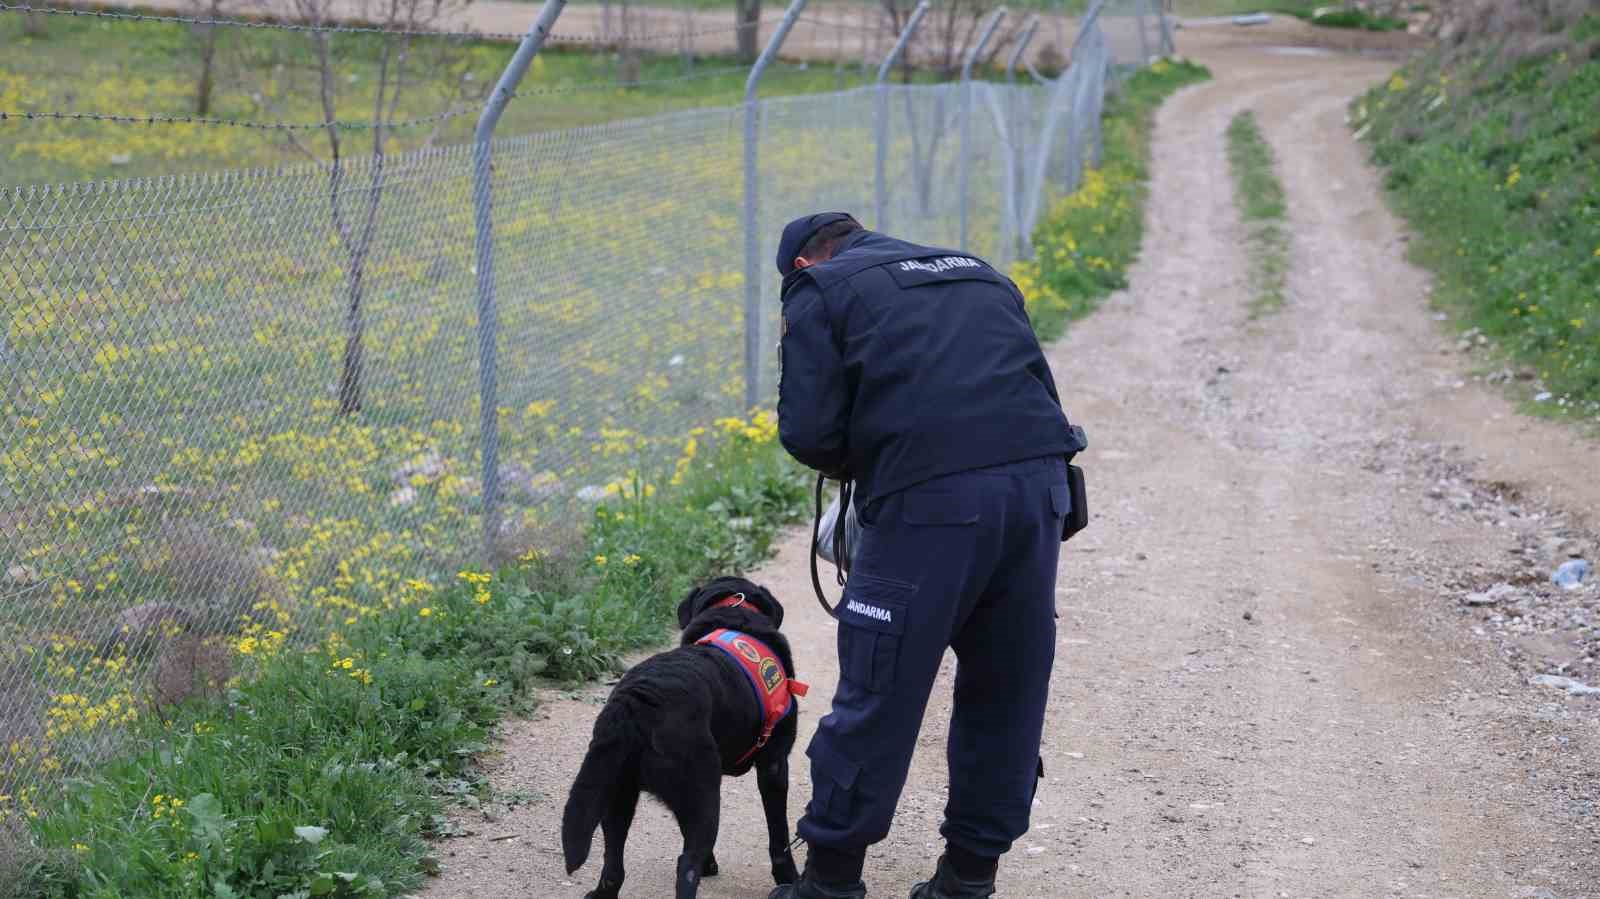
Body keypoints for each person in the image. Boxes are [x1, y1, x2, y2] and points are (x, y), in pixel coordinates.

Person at [767, 212, 1087, 899]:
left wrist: (877, 457)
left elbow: (810, 433)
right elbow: (1037, 391)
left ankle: (829, 883)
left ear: (801, 262)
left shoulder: (818, 289)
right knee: (1007, 684)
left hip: (933, 505)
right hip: (1040, 489)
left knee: (880, 687)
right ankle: (968, 880)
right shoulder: (976, 269)